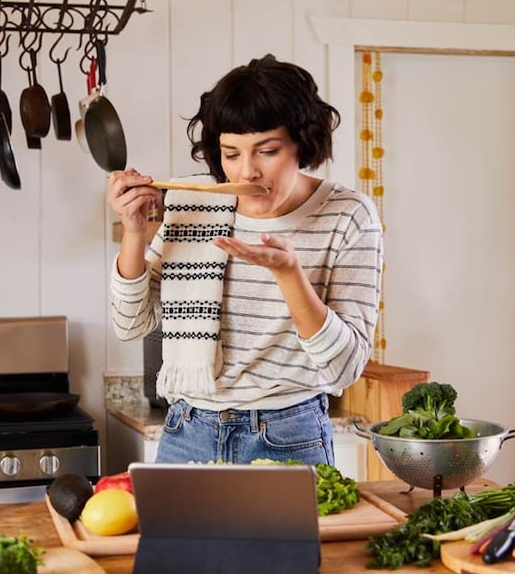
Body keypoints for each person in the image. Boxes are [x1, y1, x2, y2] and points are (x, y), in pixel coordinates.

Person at [108, 54, 383, 466]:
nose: (246, 171)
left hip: (288, 436)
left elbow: (344, 369)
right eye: (230, 153)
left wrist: (289, 274)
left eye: (267, 151)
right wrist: (133, 231)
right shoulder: (195, 203)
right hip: (187, 429)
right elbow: (130, 323)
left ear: (302, 143)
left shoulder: (348, 215)